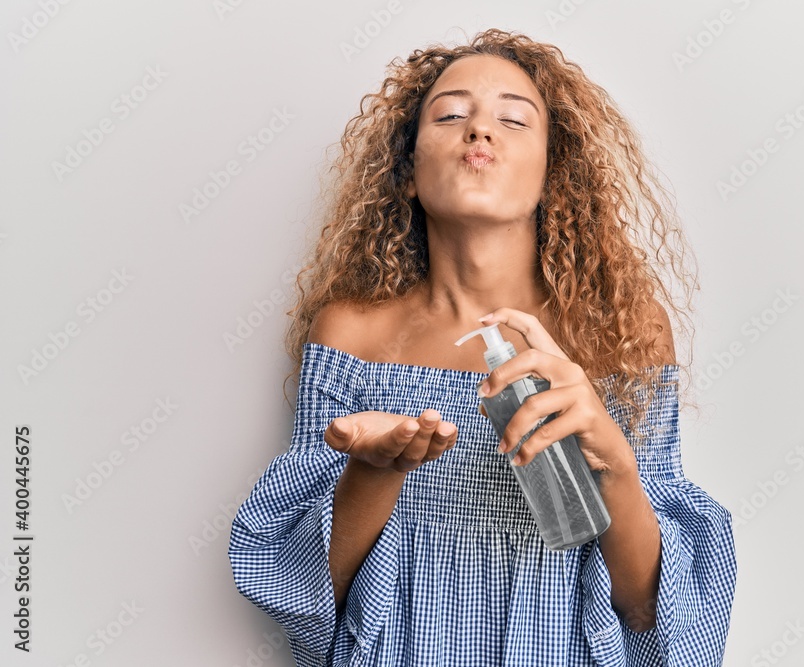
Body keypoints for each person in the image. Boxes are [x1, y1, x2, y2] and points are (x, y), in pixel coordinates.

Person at [229, 28, 736, 667]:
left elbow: (648, 621)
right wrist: (375, 472)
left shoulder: (625, 332)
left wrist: (615, 464)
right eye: (450, 115)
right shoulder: (352, 334)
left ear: (556, 174)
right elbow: (309, 600)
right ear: (407, 172)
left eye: (513, 120)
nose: (479, 131)